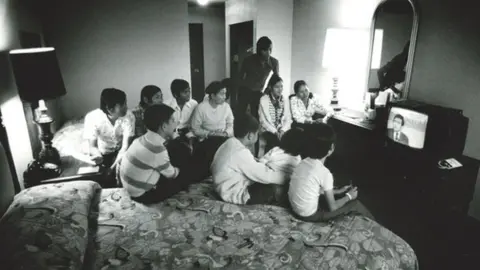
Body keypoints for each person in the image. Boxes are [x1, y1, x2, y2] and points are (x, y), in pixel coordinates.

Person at [288, 123, 374, 222]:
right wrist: (349, 196)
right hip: (309, 216)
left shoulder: (302, 162)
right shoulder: (325, 173)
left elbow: (315, 189)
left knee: (330, 198)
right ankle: (381, 229)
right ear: (331, 148)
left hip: (295, 210)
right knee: (356, 204)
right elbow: (332, 208)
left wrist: (339, 191)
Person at [119, 104, 196, 204]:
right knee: (184, 174)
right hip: (142, 195)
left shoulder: (141, 139)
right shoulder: (157, 150)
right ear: (164, 126)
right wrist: (179, 170)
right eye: (173, 120)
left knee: (172, 153)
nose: (176, 122)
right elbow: (172, 174)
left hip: (129, 187)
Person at [211, 114, 286, 205]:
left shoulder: (229, 142)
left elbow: (246, 163)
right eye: (257, 133)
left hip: (221, 186)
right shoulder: (240, 152)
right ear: (250, 135)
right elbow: (265, 175)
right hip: (232, 193)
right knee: (271, 188)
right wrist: (287, 177)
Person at [83, 88, 135, 171]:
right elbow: (92, 146)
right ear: (110, 109)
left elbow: (125, 147)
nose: (126, 107)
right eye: (122, 105)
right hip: (103, 152)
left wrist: (112, 168)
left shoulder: (129, 116)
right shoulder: (92, 118)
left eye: (125, 103)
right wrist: (97, 155)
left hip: (121, 151)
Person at [237, 36, 279, 119]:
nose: (269, 52)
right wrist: (240, 92)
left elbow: (276, 80)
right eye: (266, 50)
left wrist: (268, 91)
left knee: (256, 116)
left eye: (270, 49)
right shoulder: (248, 60)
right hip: (245, 90)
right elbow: (240, 77)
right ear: (260, 51)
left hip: (259, 92)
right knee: (240, 115)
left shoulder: (274, 62)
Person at [258, 74, 291, 154]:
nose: (280, 89)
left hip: (282, 129)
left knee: (290, 140)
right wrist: (275, 132)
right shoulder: (264, 100)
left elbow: (288, 118)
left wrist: (282, 130)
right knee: (274, 141)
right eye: (277, 87)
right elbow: (263, 121)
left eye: (281, 86)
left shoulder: (285, 100)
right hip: (268, 129)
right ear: (271, 87)